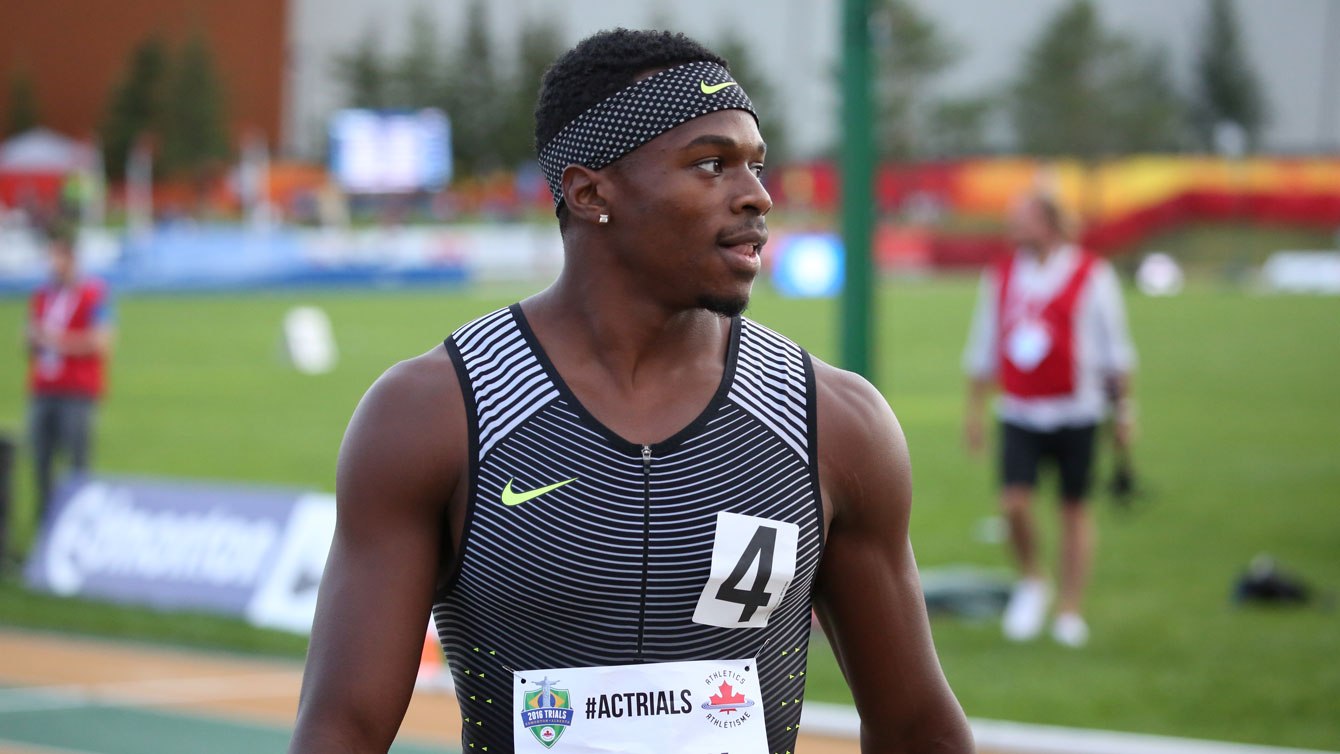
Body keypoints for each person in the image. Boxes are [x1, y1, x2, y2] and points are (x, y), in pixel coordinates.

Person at [289, 29, 972, 754]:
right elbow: (343, 730)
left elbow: (917, 726)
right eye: (712, 164)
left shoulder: (833, 422)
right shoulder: (436, 413)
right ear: (590, 193)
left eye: (756, 165)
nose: (757, 196)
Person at [962, 193, 1136, 648]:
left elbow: (1116, 350)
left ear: (1052, 224)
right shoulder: (1000, 274)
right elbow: (984, 345)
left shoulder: (1091, 273)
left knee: (1074, 509)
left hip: (1078, 410)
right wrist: (975, 412)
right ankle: (1035, 580)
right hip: (1020, 410)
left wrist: (1124, 414)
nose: (1014, 226)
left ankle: (1070, 610)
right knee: (1013, 503)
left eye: (1025, 218)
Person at [25, 228, 114, 523]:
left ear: (71, 259)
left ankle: (79, 521)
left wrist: (55, 341)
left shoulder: (94, 294)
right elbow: (32, 338)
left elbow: (101, 341)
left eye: (57, 256)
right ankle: (45, 522)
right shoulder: (42, 296)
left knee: (77, 459)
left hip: (77, 389)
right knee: (40, 459)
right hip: (43, 387)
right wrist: (33, 340)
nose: (52, 263)